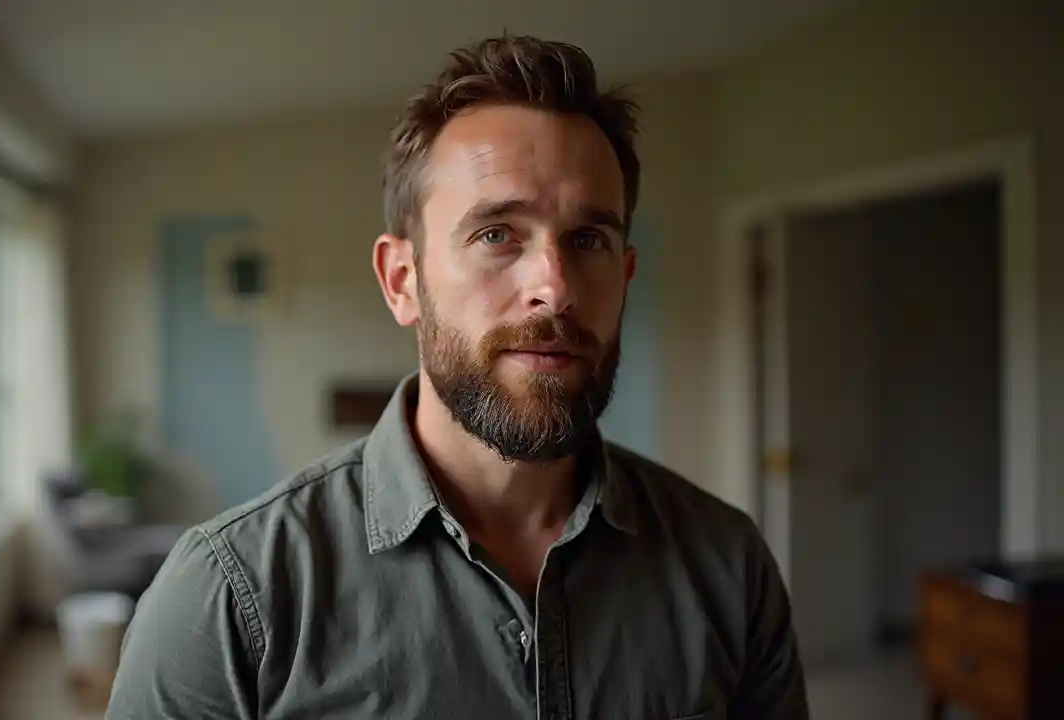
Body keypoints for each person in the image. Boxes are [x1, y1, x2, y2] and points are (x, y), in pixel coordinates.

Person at [106, 35, 807, 720]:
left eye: (588, 239)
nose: (554, 288)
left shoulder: (727, 565)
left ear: (624, 276)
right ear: (401, 280)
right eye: (497, 234)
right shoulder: (230, 597)